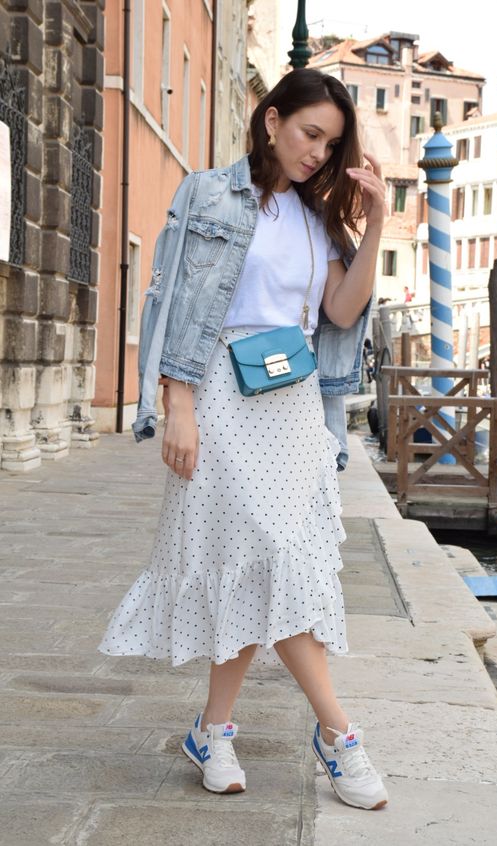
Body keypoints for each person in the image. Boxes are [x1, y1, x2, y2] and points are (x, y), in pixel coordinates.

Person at [98, 68, 388, 812]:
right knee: (266, 552)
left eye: (331, 144)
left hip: (292, 405)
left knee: (261, 563)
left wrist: (378, 223)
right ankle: (339, 733)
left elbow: (341, 311)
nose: (318, 152)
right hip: (220, 393)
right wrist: (178, 403)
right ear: (271, 120)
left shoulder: (319, 219)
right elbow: (173, 298)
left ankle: (213, 730)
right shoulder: (209, 194)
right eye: (310, 133)